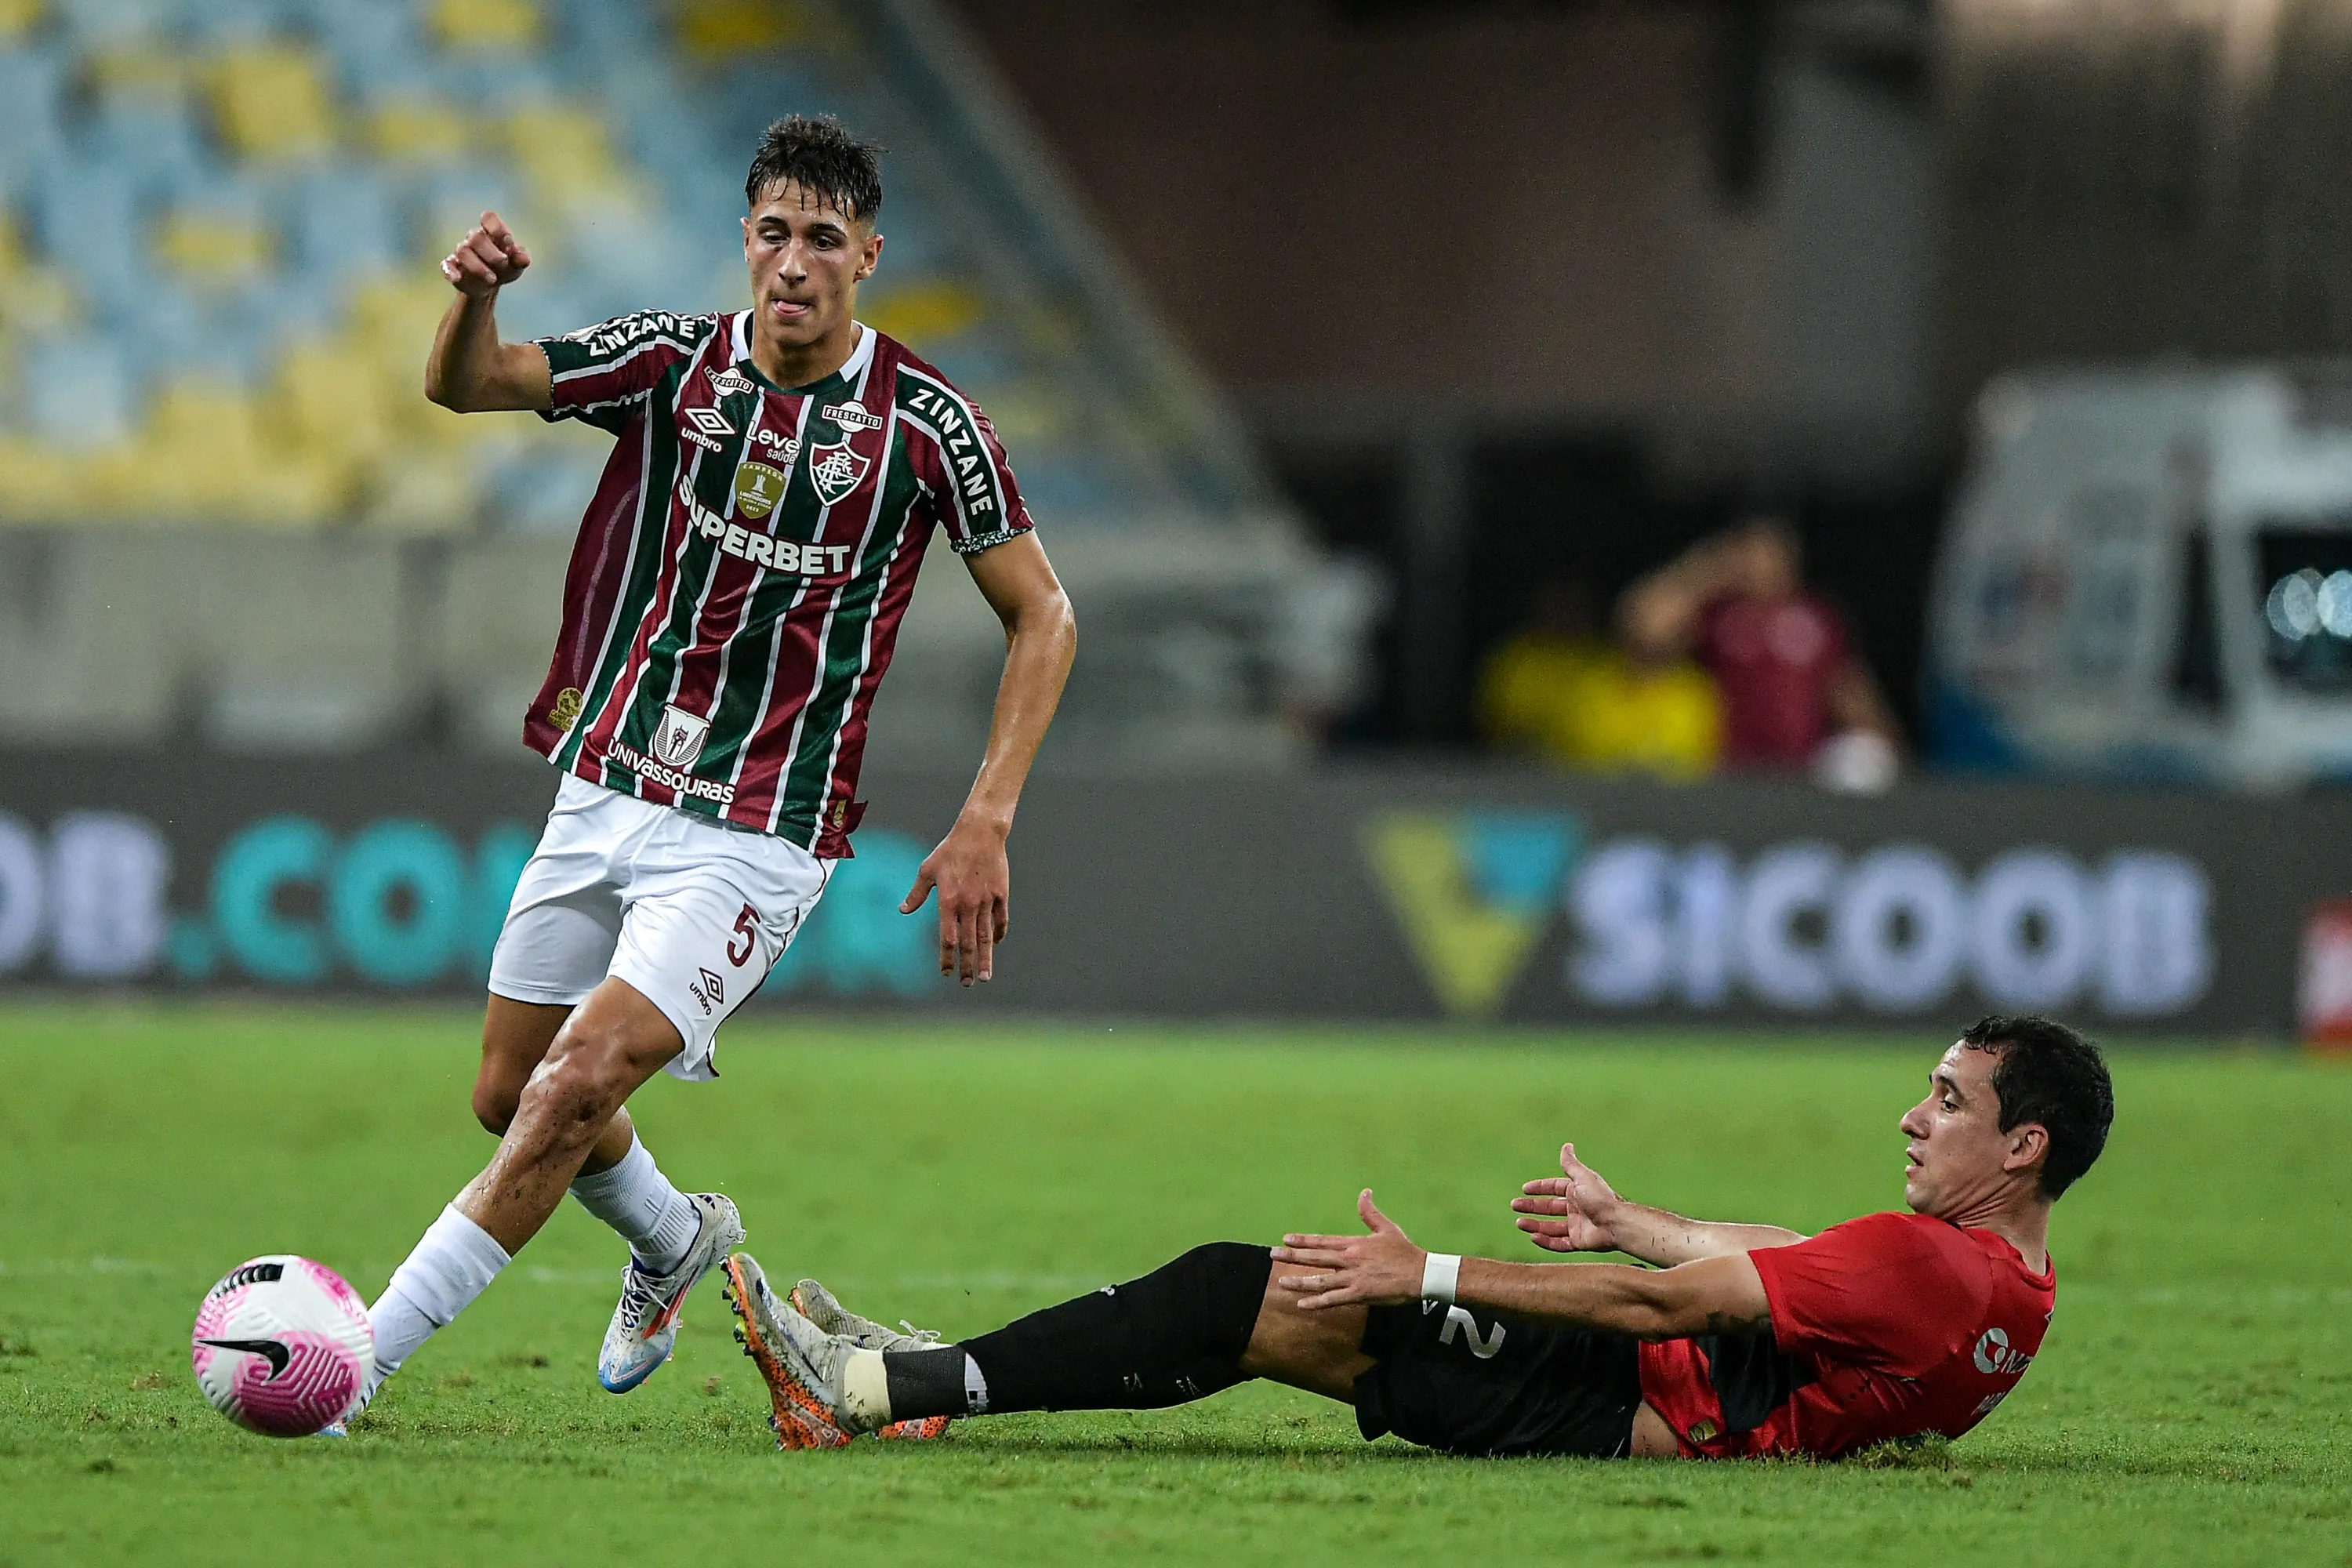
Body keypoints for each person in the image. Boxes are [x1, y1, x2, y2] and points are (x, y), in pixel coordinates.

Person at [344, 116, 1077, 1423]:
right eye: (775, 234)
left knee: (575, 1086)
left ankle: (351, 1369)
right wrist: (475, 301)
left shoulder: (926, 426)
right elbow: (469, 387)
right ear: (748, 240)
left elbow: (1047, 612)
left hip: (760, 826)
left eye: (825, 241)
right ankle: (675, 1238)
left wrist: (987, 817)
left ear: (869, 258)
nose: (794, 263)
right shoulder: (671, 363)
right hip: (611, 778)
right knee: (508, 1094)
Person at [723, 1015, 2110, 1461]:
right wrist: (1641, 1221)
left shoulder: (1930, 1258)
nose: (1914, 1117)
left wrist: (1428, 1272)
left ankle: (870, 1393)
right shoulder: (2013, 1291)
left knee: (1262, 1288)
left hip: (1619, 1399)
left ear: (2024, 1145)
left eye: (1948, 1100)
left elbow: (1668, 1314)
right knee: (1262, 1307)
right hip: (1656, 1403)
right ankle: (935, 1381)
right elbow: (1796, 1261)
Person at [1618, 515, 1900, 789]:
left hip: (1803, 770)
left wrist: (1894, 752)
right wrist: (1713, 568)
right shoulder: (1719, 615)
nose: (1762, 564)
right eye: (1752, 554)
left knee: (1865, 754)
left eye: (1772, 553)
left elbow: (1850, 692)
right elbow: (1646, 622)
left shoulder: (1817, 617)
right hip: (1728, 768)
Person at [1477, 579, 1722, 781]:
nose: (1651, 634)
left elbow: (1700, 767)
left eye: (1667, 625)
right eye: (1640, 620)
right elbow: (1563, 753)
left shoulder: (1696, 693)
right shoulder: (1587, 683)